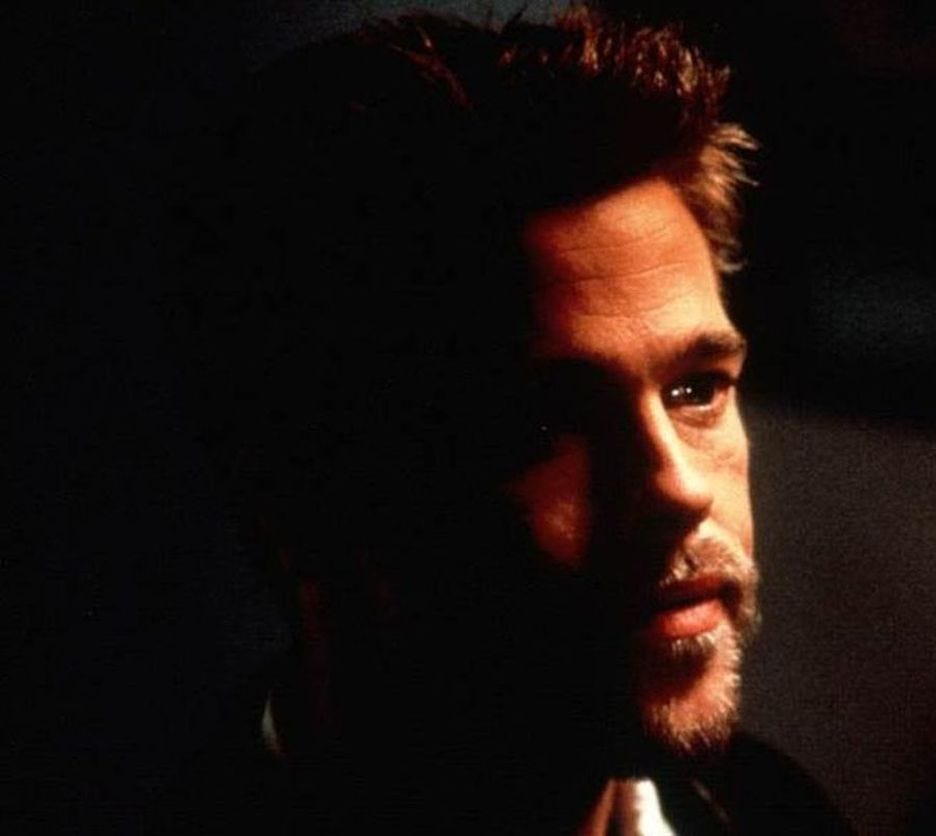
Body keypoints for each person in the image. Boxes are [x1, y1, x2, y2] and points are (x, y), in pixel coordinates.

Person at [159, 6, 848, 833]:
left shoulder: (782, 816)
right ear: (306, 497)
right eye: (545, 423)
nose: (678, 489)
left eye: (695, 390)